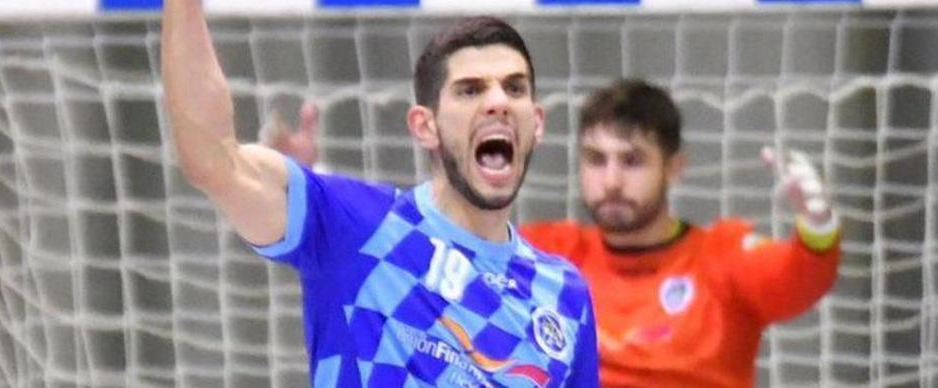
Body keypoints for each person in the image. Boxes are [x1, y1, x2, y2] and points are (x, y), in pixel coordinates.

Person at [161, 0, 598, 388]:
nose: (497, 101)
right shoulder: (358, 226)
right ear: (424, 126)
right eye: (471, 90)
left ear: (536, 123)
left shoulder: (564, 294)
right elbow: (213, 160)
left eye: (514, 88)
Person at [271, 80, 841, 387]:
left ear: (675, 166)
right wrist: (315, 189)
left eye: (632, 160)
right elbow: (413, 250)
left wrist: (817, 226)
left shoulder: (719, 258)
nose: (611, 179)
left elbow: (799, 279)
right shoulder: (547, 260)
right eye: (596, 159)